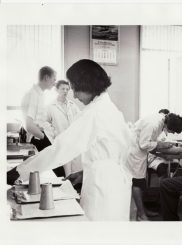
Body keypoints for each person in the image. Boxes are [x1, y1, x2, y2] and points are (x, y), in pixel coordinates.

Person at [10, 59, 133, 221]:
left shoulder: (95, 113)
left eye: (75, 88)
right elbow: (113, 154)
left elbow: (61, 149)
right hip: (115, 184)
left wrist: (19, 172)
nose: (74, 95)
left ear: (87, 85)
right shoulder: (109, 108)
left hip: (103, 187)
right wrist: (84, 173)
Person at [126, 112, 182, 221]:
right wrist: (161, 145)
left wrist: (161, 144)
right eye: (172, 131)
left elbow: (150, 139)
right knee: (137, 182)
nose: (171, 132)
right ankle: (141, 215)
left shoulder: (160, 121)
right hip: (134, 153)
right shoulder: (153, 124)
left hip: (140, 153)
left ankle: (142, 210)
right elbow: (144, 144)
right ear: (169, 125)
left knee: (141, 182)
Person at [46, 80, 81, 177]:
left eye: (67, 89)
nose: (65, 91)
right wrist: (54, 137)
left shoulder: (73, 105)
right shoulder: (50, 107)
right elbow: (46, 124)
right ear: (57, 90)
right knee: (65, 173)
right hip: (60, 142)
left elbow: (80, 120)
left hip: (73, 142)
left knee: (75, 172)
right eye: (62, 89)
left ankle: (72, 189)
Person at [21, 66, 56, 151]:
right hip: (35, 137)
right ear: (46, 78)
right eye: (54, 79)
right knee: (56, 161)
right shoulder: (33, 95)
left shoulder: (39, 94)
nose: (55, 83)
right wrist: (43, 136)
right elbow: (29, 126)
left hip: (38, 134)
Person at [147, 109, 181, 182]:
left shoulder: (170, 131)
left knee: (178, 168)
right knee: (162, 169)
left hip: (168, 157)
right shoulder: (154, 128)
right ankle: (164, 189)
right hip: (155, 158)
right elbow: (150, 146)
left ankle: (176, 190)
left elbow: (173, 144)